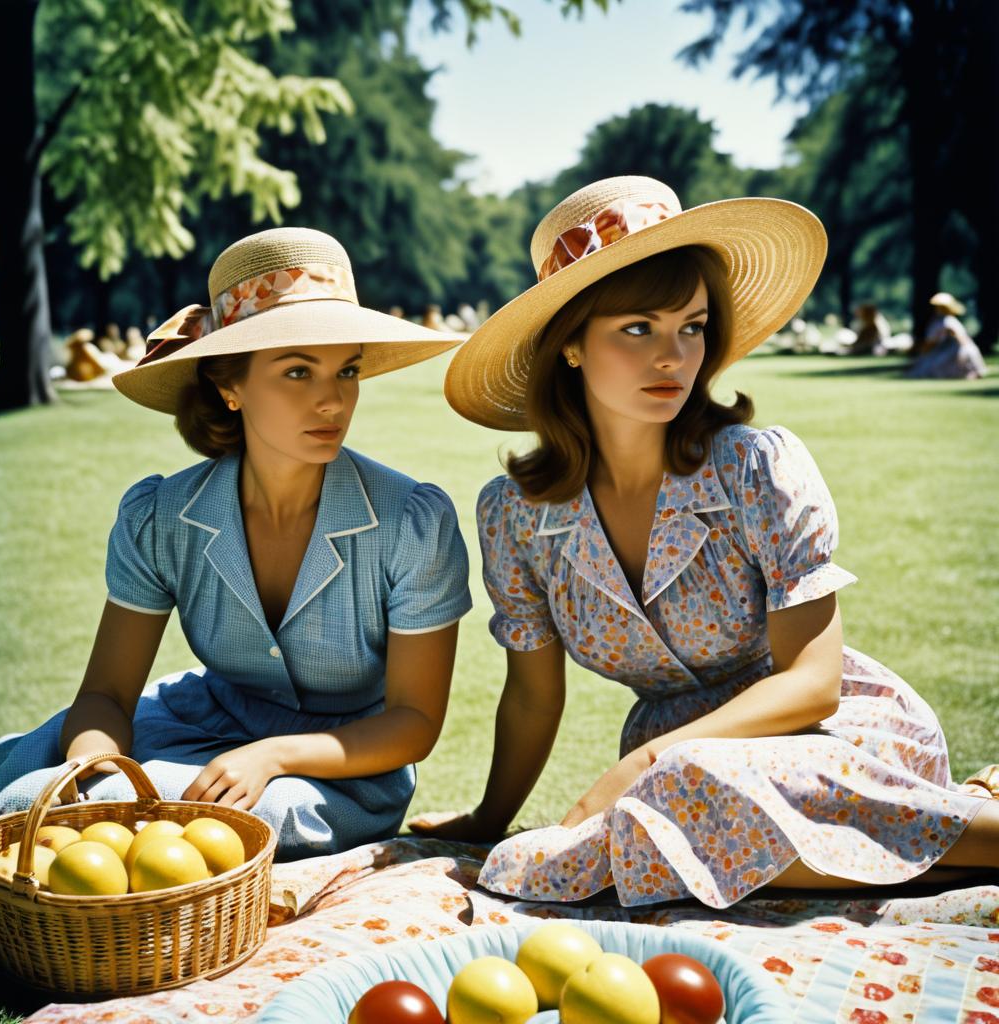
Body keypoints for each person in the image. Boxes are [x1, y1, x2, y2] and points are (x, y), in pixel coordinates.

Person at [410, 176, 998, 908]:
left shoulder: (757, 467)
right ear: (569, 346)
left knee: (681, 802)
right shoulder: (514, 516)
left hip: (829, 737)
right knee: (545, 863)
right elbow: (533, 694)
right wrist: (486, 822)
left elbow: (812, 685)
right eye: (638, 328)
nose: (674, 356)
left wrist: (656, 757)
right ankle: (957, 854)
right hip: (676, 783)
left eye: (691, 326)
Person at [0, 227, 473, 859]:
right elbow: (105, 695)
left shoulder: (412, 522)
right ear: (228, 386)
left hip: (338, 768)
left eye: (346, 370)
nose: (333, 399)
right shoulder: (159, 516)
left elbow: (414, 722)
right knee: (23, 791)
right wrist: (90, 768)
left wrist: (273, 755)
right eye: (298, 371)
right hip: (190, 722)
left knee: (210, 820)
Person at [908, 292, 986, 379]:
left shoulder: (946, 322)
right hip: (947, 351)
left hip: (953, 352)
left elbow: (932, 343)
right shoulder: (945, 322)